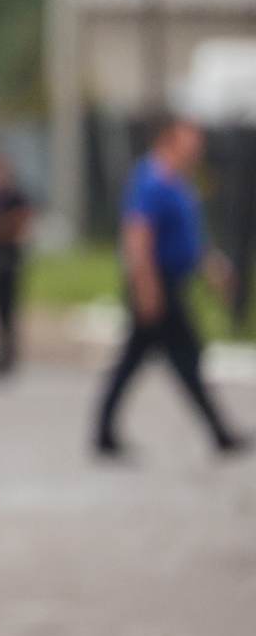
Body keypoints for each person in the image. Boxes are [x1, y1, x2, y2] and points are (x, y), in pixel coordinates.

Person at [94, 114, 245, 458]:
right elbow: (138, 237)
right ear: (169, 140)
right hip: (155, 283)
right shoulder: (152, 180)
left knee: (136, 361)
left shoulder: (179, 182)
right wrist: (147, 288)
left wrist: (213, 270)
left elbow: (191, 240)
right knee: (185, 358)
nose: (197, 147)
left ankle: (103, 431)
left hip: (171, 281)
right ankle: (219, 433)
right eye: (189, 139)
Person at [0, 154, 31, 376]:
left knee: (9, 311)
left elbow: (19, 224)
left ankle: (9, 356)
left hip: (9, 261)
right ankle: (0, 354)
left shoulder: (14, 197)